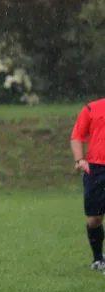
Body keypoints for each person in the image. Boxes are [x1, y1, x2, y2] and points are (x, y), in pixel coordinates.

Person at [70, 98, 105, 273]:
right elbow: (77, 136)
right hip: (96, 169)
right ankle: (98, 259)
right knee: (94, 219)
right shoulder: (92, 108)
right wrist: (80, 159)